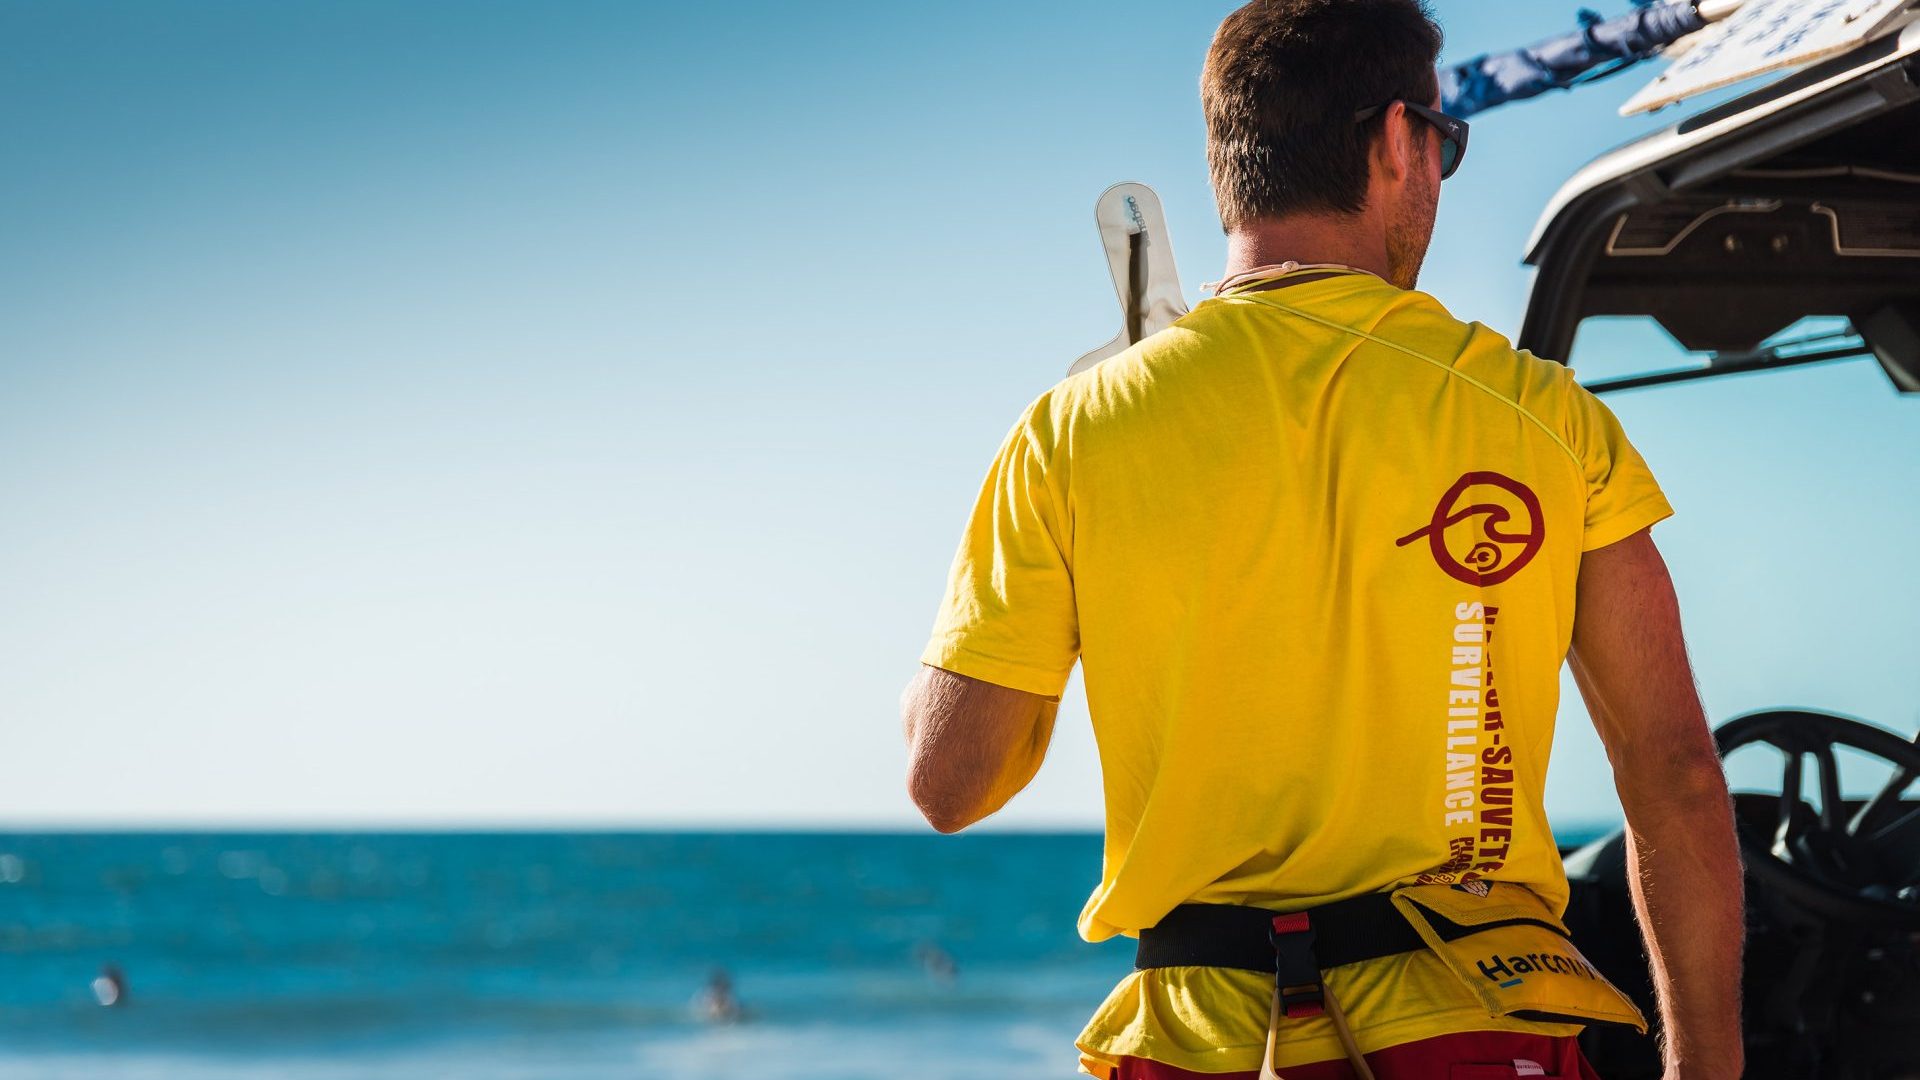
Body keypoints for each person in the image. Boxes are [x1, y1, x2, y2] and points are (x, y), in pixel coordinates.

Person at [900, 1, 1745, 1077]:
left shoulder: (1074, 427)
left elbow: (948, 780)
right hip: (1469, 1030)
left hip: (1199, 1043)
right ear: (1399, 140)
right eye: (1445, 142)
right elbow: (1670, 771)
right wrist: (1706, 1061)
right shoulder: (1543, 416)